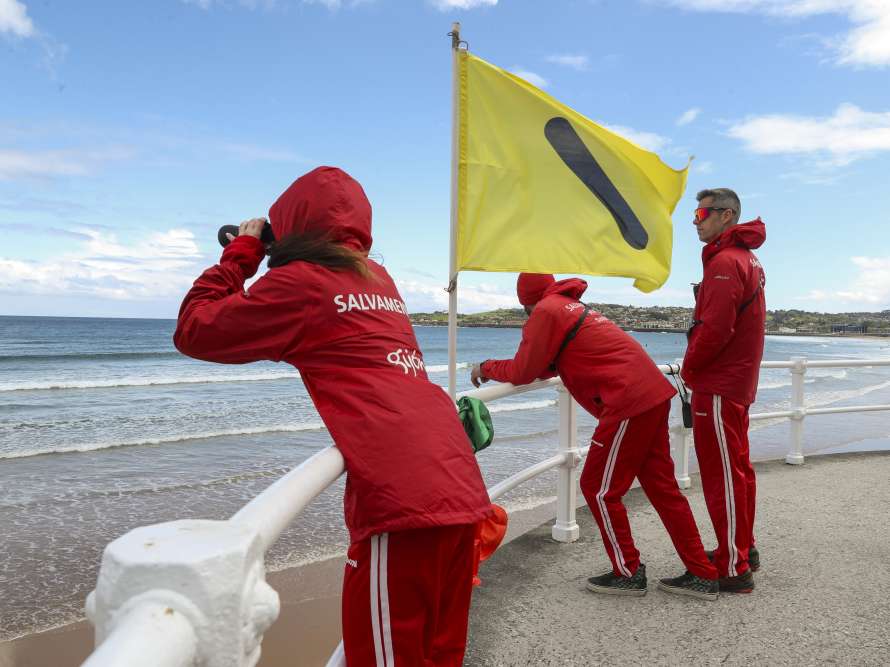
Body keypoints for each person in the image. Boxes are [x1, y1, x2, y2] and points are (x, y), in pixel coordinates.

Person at [174, 166, 492, 666]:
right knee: (440, 652)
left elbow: (196, 329)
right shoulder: (378, 279)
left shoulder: (299, 284)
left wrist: (242, 253)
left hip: (405, 501)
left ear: (292, 226)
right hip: (456, 483)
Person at [471, 273, 719, 600]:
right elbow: (548, 363)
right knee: (663, 489)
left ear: (525, 302)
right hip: (652, 395)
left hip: (627, 402)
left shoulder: (545, 311)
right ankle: (701, 572)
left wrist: (484, 367)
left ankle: (628, 572)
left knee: (598, 489)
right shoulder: (569, 305)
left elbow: (523, 371)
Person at [682, 188, 766, 594]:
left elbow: (715, 329)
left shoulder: (726, 262)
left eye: (701, 212)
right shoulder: (746, 259)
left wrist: (689, 369)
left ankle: (733, 568)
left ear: (727, 214)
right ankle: (743, 550)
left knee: (722, 477)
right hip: (736, 383)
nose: (695, 220)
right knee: (738, 471)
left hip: (718, 384)